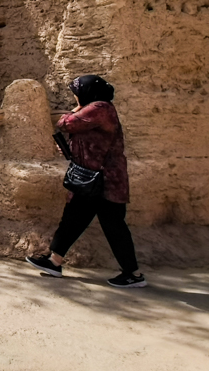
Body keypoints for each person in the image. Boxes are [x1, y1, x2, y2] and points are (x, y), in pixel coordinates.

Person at [26, 75, 147, 288]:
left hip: (107, 181)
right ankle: (54, 261)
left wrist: (73, 111)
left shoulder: (100, 108)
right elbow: (91, 140)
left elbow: (67, 123)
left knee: (114, 226)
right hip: (88, 178)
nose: (75, 96)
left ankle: (133, 275)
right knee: (73, 218)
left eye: (77, 91)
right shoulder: (96, 109)